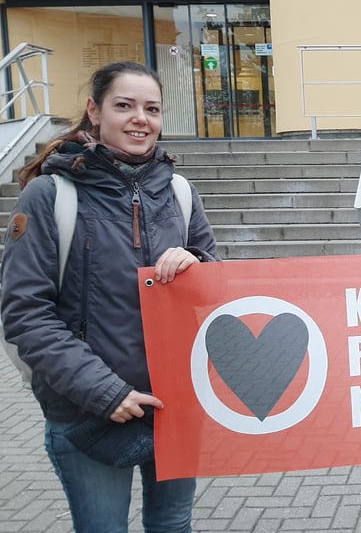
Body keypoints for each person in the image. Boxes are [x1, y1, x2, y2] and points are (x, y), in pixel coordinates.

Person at [1, 61, 220, 532]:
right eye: (125, 105)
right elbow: (25, 314)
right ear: (94, 111)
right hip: (90, 411)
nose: (141, 118)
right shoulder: (49, 196)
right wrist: (106, 392)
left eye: (152, 108)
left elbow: (217, 288)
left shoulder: (180, 192)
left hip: (174, 407)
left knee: (173, 524)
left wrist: (196, 264)